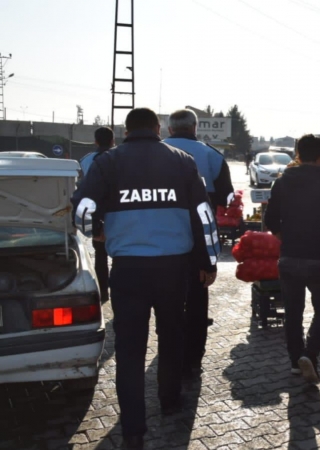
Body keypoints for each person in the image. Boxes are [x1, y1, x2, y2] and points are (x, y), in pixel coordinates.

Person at [72, 108, 219, 449]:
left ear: (126, 131)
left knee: (130, 349)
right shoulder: (182, 160)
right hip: (173, 268)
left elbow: (82, 210)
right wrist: (208, 261)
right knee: (171, 336)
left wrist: (98, 233)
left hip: (128, 270)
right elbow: (204, 216)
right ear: (157, 128)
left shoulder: (108, 162)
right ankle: (169, 401)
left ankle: (134, 430)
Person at [265, 134, 320, 383]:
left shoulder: (282, 183)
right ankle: (310, 354)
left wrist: (286, 239)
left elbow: (270, 220)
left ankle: (294, 361)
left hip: (289, 257)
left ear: (298, 154)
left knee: (293, 311)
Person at [163, 109, 234, 380]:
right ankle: (193, 358)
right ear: (195, 127)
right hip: (198, 242)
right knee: (196, 298)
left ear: (169, 130)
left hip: (163, 242)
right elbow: (227, 197)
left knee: (167, 302)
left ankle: (171, 353)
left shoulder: (156, 153)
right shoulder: (212, 155)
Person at [78, 126, 115, 304]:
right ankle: (117, 291)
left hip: (96, 215)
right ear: (113, 140)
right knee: (119, 255)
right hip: (116, 215)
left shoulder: (86, 160)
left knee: (100, 255)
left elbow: (82, 189)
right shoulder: (119, 158)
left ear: (96, 141)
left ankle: (103, 291)